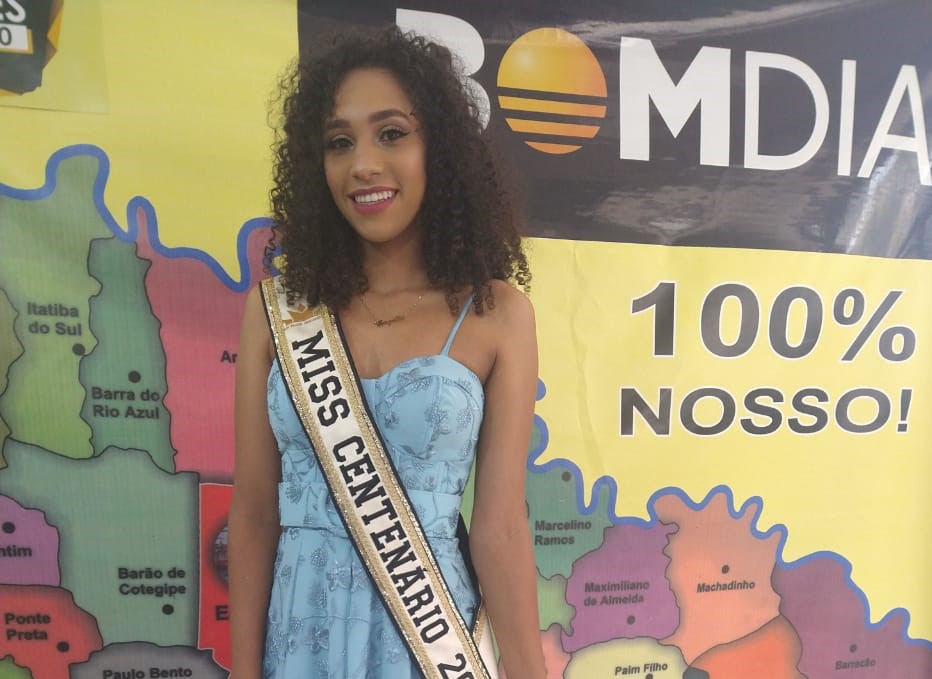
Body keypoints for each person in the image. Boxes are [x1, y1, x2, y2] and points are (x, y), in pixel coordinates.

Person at [228, 25, 545, 679]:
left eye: (392, 133)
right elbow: (255, 513)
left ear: (440, 150)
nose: (363, 164)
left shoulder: (497, 315)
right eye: (339, 142)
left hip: (429, 644)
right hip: (300, 636)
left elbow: (500, 527)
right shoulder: (277, 312)